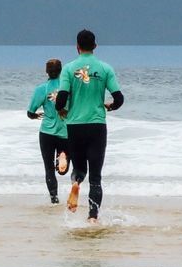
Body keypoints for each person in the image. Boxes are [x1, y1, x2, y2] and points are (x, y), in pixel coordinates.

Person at [55, 30, 124, 225]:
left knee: (78, 168)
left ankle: (76, 183)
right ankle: (93, 217)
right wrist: (109, 106)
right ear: (95, 46)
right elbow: (119, 98)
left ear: (77, 47)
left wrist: (62, 109)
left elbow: (60, 100)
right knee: (95, 176)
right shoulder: (104, 69)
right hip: (96, 126)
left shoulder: (69, 69)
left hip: (75, 126)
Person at [27, 59, 68, 203]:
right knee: (62, 170)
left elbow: (30, 112)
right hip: (65, 132)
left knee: (48, 168)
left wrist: (35, 115)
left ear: (46, 72)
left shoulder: (42, 89)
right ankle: (62, 162)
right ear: (61, 70)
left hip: (47, 133)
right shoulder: (68, 87)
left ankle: (54, 199)